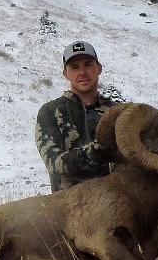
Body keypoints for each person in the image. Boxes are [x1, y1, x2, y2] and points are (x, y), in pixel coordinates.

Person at [35, 41, 116, 192]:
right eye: (75, 67)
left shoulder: (117, 112)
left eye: (88, 64)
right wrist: (97, 151)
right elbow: (55, 164)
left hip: (115, 201)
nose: (82, 72)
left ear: (99, 68)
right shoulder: (50, 112)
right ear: (65, 74)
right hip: (68, 208)